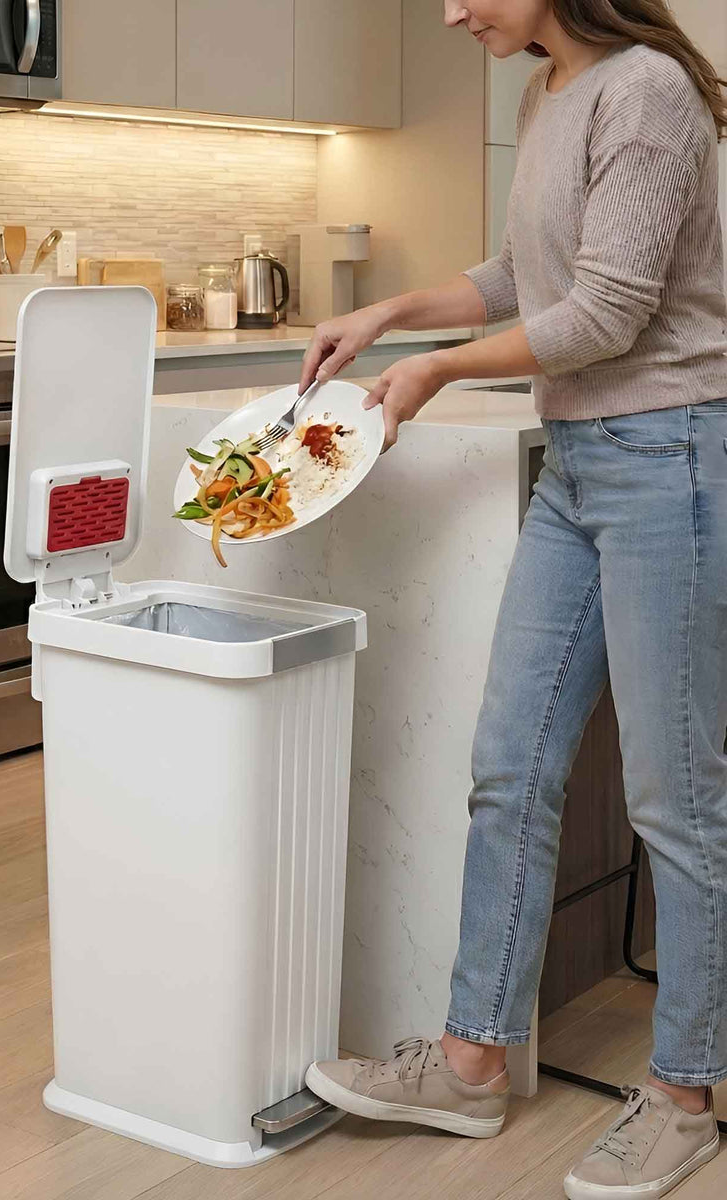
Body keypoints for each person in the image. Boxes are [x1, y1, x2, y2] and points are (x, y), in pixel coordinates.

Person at [299, 3, 727, 1197]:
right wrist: (389, 314)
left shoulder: (645, 89)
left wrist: (432, 369)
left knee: (676, 799)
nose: (449, 11)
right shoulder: (547, 95)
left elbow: (606, 315)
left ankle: (686, 1092)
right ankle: (471, 1064)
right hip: (582, 467)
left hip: (669, 460)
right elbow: (522, 277)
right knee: (510, 766)